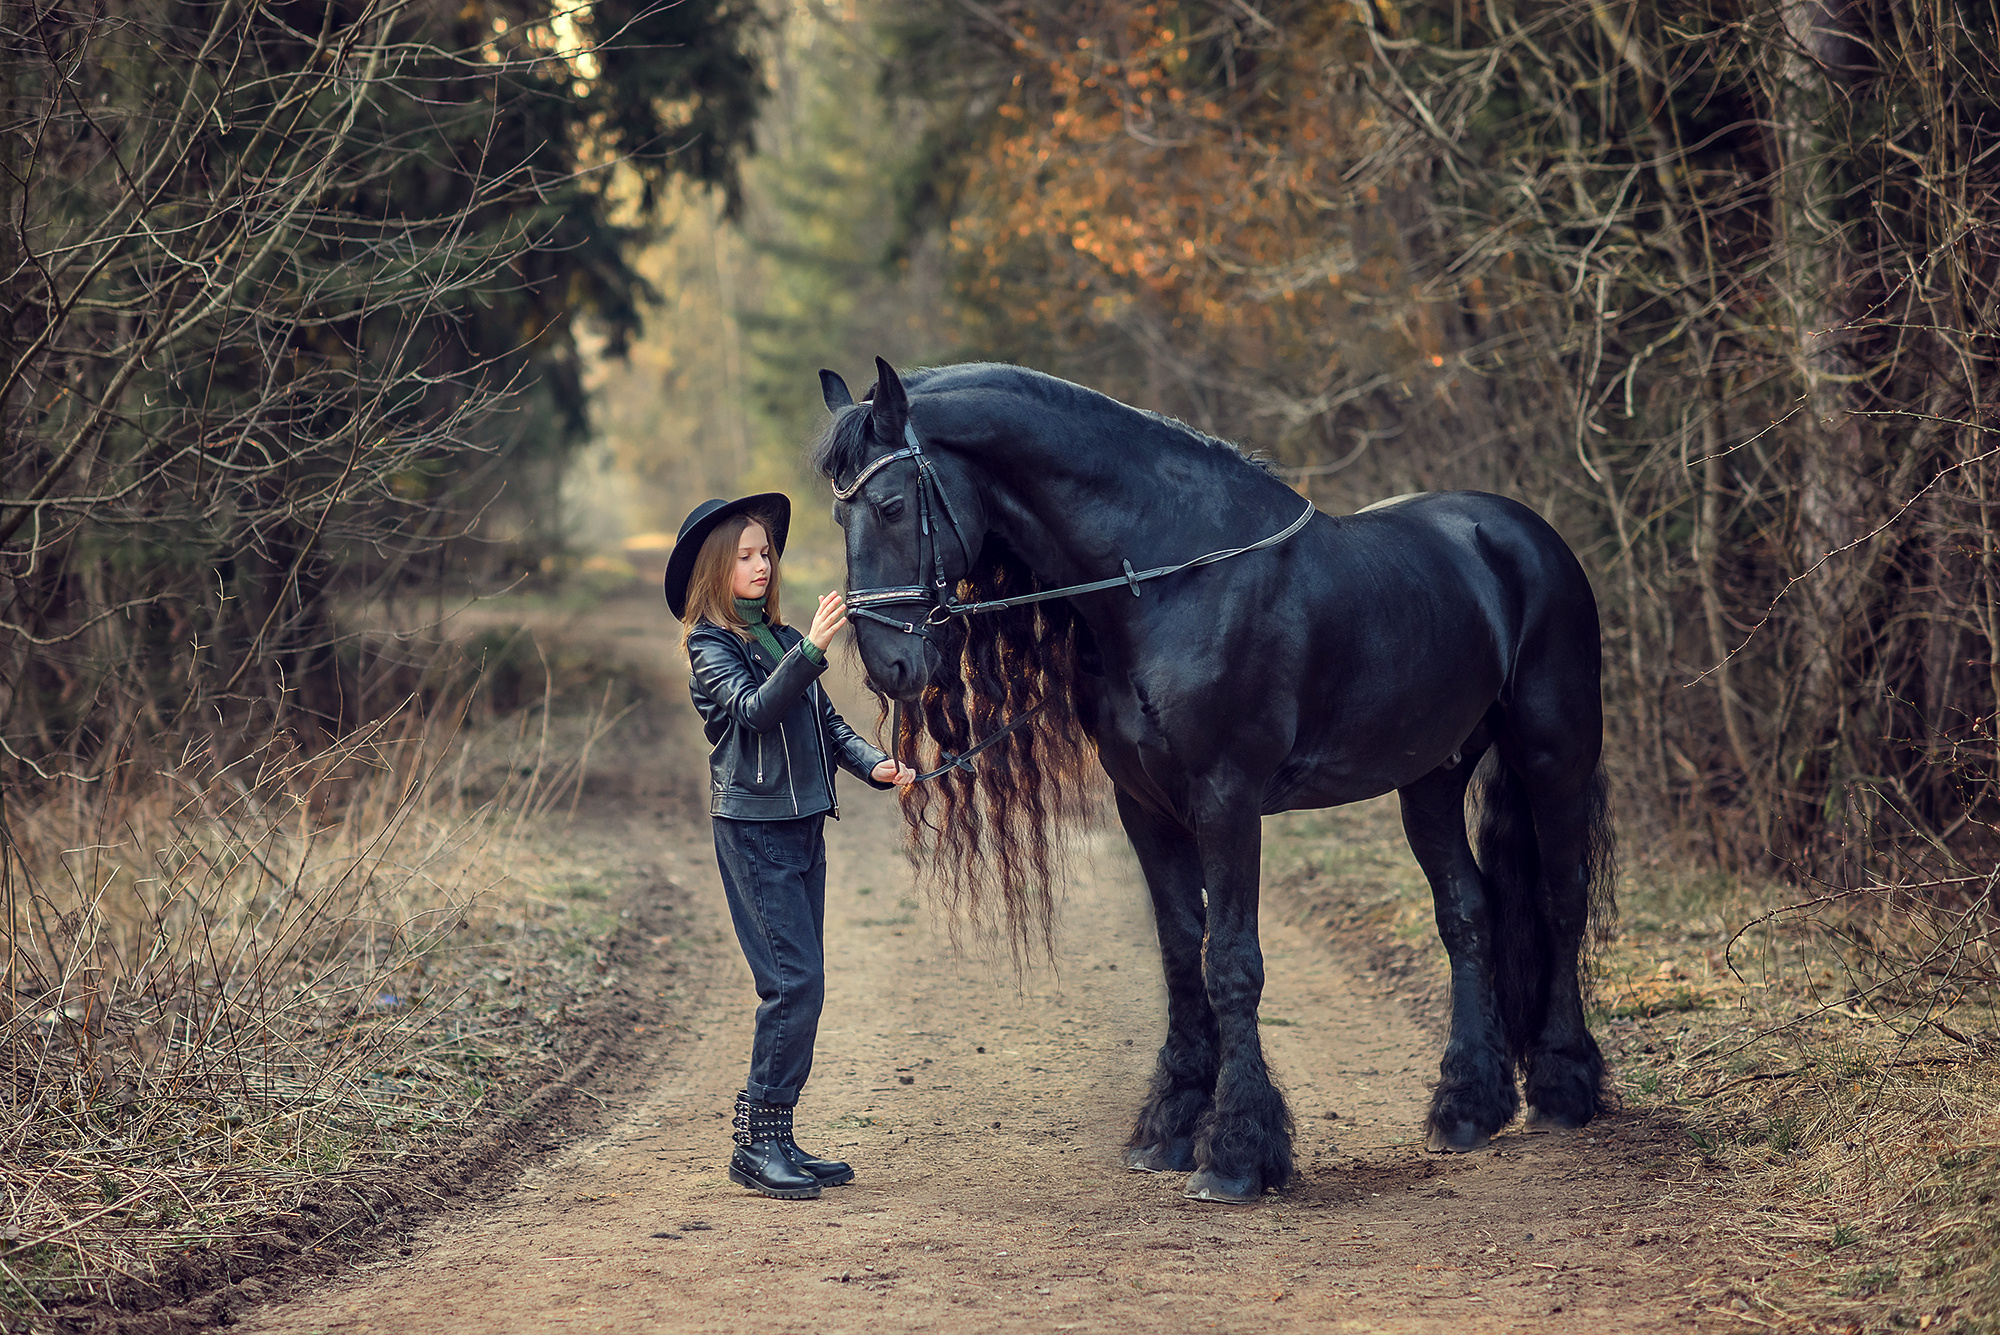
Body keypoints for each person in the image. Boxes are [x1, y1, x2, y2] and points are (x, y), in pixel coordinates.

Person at [663, 493, 916, 1200]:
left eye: (766, 553)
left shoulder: (776, 637)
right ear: (716, 567)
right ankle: (755, 1144)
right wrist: (810, 650)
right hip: (755, 830)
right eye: (744, 555)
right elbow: (754, 710)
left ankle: (778, 1136)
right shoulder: (710, 645)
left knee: (805, 986)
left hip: (803, 826)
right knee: (791, 985)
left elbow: (824, 723)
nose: (761, 565)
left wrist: (874, 764)